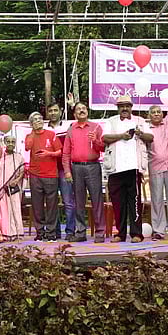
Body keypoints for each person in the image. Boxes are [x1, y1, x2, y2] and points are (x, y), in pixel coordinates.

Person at [102, 95, 152, 243]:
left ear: (131, 107)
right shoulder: (111, 121)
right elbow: (105, 138)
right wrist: (121, 136)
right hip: (115, 169)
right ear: (118, 108)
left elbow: (151, 138)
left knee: (135, 202)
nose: (124, 108)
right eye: (121, 106)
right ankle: (120, 233)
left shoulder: (140, 121)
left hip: (134, 167)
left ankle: (136, 233)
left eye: (127, 106)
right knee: (118, 203)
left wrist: (140, 134)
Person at [62, 102, 105, 243]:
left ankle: (100, 232)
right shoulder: (71, 129)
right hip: (76, 168)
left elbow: (103, 148)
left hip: (93, 166)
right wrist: (67, 171)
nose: (81, 111)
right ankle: (80, 232)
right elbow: (66, 153)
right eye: (78, 109)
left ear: (87, 111)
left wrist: (96, 140)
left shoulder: (96, 127)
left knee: (97, 200)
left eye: (84, 109)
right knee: (79, 201)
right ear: (74, 114)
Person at [146, 76, 168, 240]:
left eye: (159, 111)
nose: (157, 114)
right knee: (157, 200)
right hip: (155, 168)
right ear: (149, 115)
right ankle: (158, 230)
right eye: (154, 112)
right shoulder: (146, 128)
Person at [25, 111, 62, 241]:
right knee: (37, 205)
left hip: (51, 174)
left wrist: (48, 154)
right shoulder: (30, 135)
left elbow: (59, 152)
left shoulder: (51, 134)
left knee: (52, 205)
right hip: (35, 174)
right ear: (31, 123)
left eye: (40, 118)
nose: (38, 121)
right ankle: (40, 233)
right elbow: (27, 147)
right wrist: (32, 132)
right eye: (35, 120)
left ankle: (51, 233)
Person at [46, 100, 75, 239]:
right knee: (52, 203)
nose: (53, 113)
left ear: (60, 111)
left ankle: (70, 231)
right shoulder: (44, 130)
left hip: (65, 169)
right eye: (50, 111)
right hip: (49, 171)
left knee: (68, 201)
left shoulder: (68, 126)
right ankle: (55, 232)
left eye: (55, 110)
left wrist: (72, 106)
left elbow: (80, 122)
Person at [0, 135, 25, 241]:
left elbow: (22, 171)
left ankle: (17, 232)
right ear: (5, 143)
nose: (11, 143)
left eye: (13, 141)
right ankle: (4, 233)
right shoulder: (0, 155)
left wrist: (16, 180)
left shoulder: (19, 156)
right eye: (8, 141)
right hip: (1, 187)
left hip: (14, 187)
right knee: (3, 210)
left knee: (15, 209)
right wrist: (0, 152)